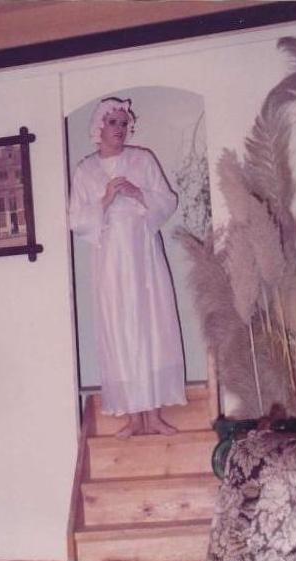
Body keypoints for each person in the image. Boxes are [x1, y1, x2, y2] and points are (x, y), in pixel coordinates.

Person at [69, 97, 187, 438]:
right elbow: (76, 219)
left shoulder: (142, 159)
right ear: (99, 126)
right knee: (120, 327)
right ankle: (134, 418)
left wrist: (138, 193)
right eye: (113, 122)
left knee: (151, 325)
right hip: (110, 259)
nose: (119, 129)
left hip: (143, 254)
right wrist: (106, 199)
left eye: (123, 123)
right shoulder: (86, 170)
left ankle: (155, 415)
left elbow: (167, 200)